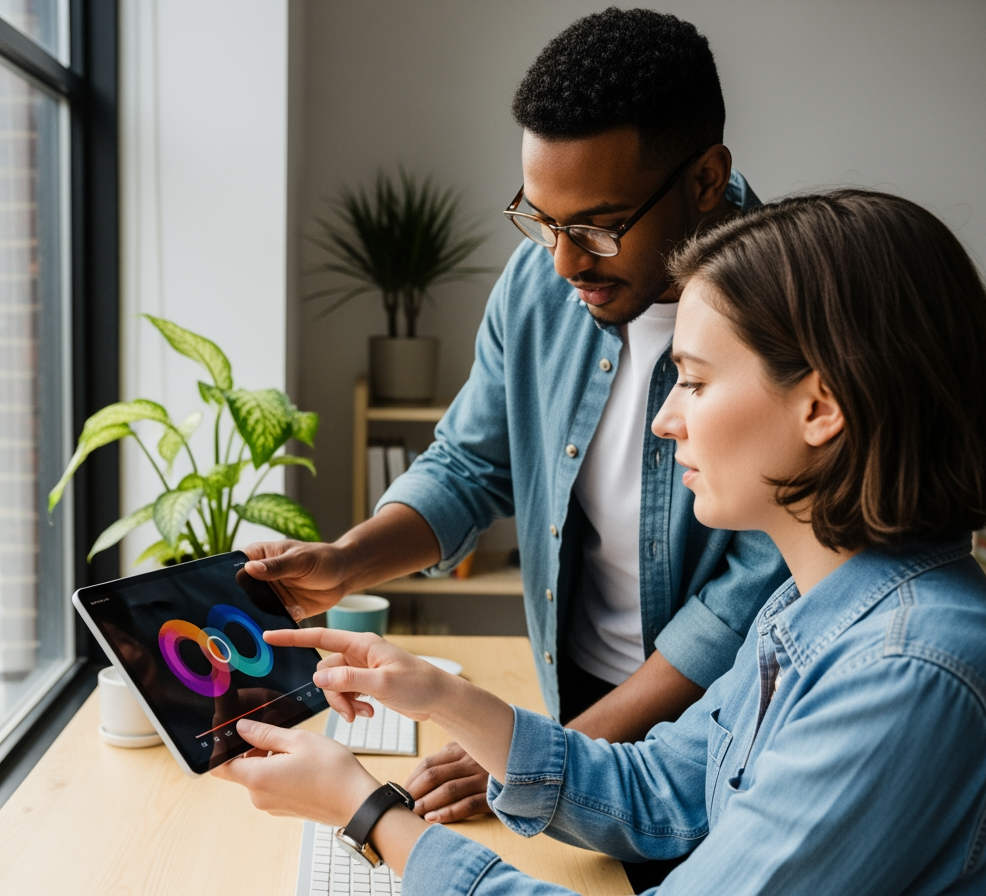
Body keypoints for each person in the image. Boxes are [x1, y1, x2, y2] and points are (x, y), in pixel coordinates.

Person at [216, 190, 986, 894]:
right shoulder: (813, 605)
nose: (667, 423)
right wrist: (437, 696)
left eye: (697, 384)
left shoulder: (909, 676)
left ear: (822, 406)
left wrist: (367, 814)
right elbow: (660, 792)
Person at [243, 8, 786, 834]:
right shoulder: (543, 277)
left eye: (599, 226)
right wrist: (348, 562)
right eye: (540, 220)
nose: (565, 261)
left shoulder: (796, 312)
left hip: (714, 735)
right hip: (572, 696)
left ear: (706, 180)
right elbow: (471, 463)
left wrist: (543, 757)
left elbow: (741, 604)